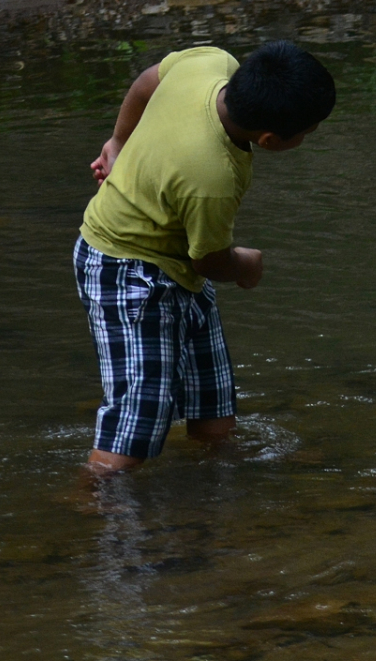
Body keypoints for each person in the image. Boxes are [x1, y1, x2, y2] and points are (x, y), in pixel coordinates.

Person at [74, 40, 335, 475]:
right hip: (124, 268)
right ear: (269, 140)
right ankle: (93, 501)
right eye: (308, 132)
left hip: (172, 260)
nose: (308, 138)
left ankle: (211, 482)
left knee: (212, 400)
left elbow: (147, 81)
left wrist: (117, 141)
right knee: (136, 418)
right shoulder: (212, 175)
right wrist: (248, 264)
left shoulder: (209, 63)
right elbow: (210, 262)